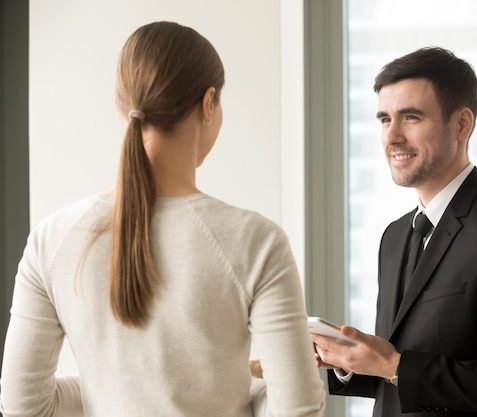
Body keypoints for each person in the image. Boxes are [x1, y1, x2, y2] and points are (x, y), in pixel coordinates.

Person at [0, 21, 325, 417]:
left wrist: (119, 389)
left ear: (122, 103)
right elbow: (298, 408)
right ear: (208, 103)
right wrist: (231, 386)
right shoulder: (256, 241)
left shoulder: (52, 239)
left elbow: (23, 406)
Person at [311, 47, 477, 416]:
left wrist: (393, 365)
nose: (392, 136)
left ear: (462, 124)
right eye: (384, 119)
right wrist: (349, 361)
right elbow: (405, 378)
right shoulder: (395, 237)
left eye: (410, 117)